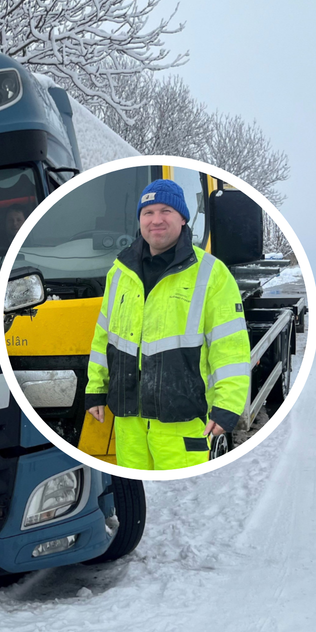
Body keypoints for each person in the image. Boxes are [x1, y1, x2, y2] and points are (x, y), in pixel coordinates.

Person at [84, 179, 251, 470]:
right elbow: (104, 337)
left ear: (182, 218)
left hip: (183, 424)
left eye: (166, 211)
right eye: (148, 212)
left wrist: (228, 406)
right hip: (128, 422)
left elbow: (231, 348)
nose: (156, 220)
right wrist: (95, 388)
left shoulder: (211, 273)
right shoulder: (119, 272)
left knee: (187, 501)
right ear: (139, 220)